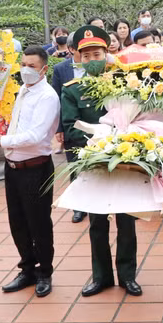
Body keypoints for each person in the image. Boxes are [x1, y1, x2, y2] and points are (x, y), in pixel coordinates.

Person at [61, 25, 142, 297]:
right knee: (97, 223)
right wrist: (101, 143)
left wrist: (122, 145)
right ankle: (101, 277)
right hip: (92, 162)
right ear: (79, 59)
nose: (92, 60)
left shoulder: (125, 84)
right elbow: (70, 127)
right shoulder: (72, 90)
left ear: (107, 54)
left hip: (124, 162)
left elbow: (138, 120)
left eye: (97, 54)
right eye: (86, 56)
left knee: (126, 221)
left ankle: (128, 276)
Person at [0, 45, 59, 298]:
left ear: (44, 69)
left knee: (38, 222)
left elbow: (36, 135)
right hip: (14, 167)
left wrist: (2, 141)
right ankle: (27, 268)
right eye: (24, 65)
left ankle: (45, 272)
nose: (26, 70)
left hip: (35, 167)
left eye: (32, 66)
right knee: (18, 222)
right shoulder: (23, 92)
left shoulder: (47, 96)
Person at [51, 32, 88, 224]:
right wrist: (59, 128)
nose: (86, 54)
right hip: (70, 125)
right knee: (75, 166)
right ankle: (78, 207)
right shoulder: (60, 69)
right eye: (81, 50)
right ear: (71, 49)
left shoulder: (100, 67)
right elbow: (56, 99)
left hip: (94, 127)